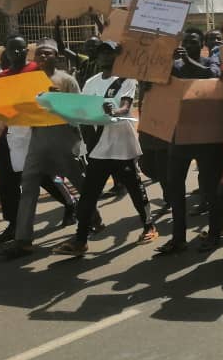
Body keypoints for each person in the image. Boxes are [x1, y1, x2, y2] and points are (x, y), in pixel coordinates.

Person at [52, 42, 157, 256]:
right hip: (99, 148)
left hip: (121, 146)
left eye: (108, 52)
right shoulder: (91, 82)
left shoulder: (126, 79)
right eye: (100, 53)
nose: (103, 56)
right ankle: (80, 240)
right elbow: (84, 110)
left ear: (117, 56)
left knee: (135, 188)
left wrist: (113, 110)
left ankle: (149, 226)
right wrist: (59, 103)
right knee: (89, 194)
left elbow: (126, 107)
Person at [2, 39, 96, 259]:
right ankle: (23, 240)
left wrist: (57, 101)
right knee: (29, 185)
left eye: (48, 54)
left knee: (78, 181)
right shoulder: (27, 81)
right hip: (37, 138)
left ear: (57, 57)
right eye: (40, 54)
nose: (43, 57)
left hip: (62, 136)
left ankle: (93, 217)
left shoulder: (66, 80)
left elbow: (79, 111)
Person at [0, 37, 76, 244]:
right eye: (13, 50)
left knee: (48, 175)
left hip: (34, 132)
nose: (17, 53)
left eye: (21, 49)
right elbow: (3, 105)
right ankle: (14, 223)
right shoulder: (2, 76)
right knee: (8, 182)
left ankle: (70, 203)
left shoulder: (37, 72)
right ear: (7, 54)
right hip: (9, 133)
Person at [156, 28, 223, 254]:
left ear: (202, 45)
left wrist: (188, 61)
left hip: (207, 136)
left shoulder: (210, 63)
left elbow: (213, 77)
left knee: (210, 188)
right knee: (175, 188)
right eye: (185, 42)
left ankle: (215, 233)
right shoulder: (174, 67)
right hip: (179, 136)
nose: (188, 45)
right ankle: (179, 238)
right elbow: (156, 81)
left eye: (193, 42)